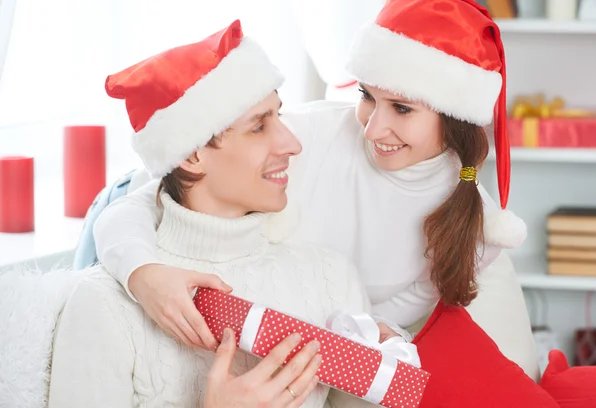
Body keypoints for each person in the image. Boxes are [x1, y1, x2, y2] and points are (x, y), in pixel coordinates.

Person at [92, 0, 535, 375]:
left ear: (452, 114)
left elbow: (378, 318)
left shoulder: (475, 223)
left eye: (401, 108)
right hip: (134, 216)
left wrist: (371, 337)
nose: (374, 127)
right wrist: (141, 273)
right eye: (366, 97)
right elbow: (140, 201)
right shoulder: (306, 136)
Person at [48, 20, 377, 408]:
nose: (291, 143)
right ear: (191, 154)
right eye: (259, 127)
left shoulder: (331, 281)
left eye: (279, 117)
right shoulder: (101, 305)